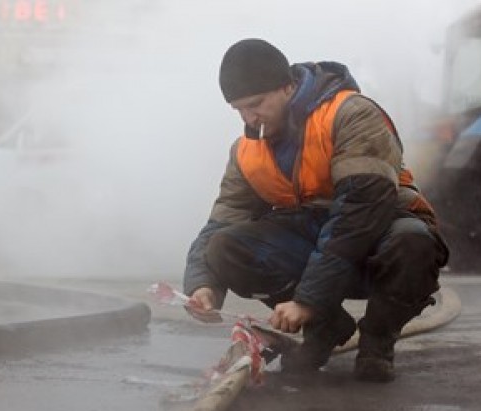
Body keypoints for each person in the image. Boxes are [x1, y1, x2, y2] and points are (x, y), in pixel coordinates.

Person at [183, 38, 449, 382]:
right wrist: (204, 285)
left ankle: (377, 341)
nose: (249, 118)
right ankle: (326, 326)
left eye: (256, 104)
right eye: (239, 110)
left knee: (413, 242)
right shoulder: (246, 150)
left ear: (287, 87)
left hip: (375, 235)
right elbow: (224, 219)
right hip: (315, 241)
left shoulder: (351, 114)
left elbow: (358, 215)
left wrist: (307, 299)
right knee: (224, 249)